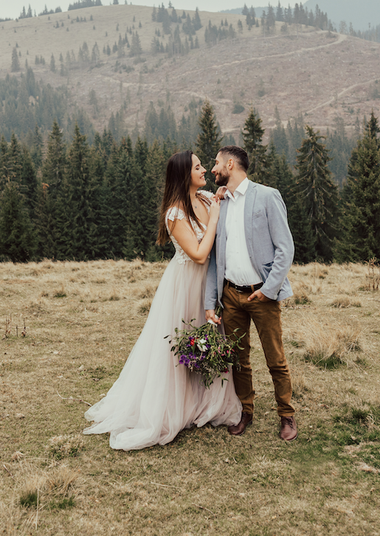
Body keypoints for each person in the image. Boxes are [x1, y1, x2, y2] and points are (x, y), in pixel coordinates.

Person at [84, 150, 242, 450]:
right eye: (198, 167)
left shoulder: (207, 199)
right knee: (181, 343)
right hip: (184, 285)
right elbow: (198, 254)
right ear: (185, 174)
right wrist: (216, 218)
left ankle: (205, 401)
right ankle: (173, 406)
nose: (204, 169)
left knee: (208, 339)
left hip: (209, 284)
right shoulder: (175, 213)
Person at [204, 145, 297, 441]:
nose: (213, 169)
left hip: (263, 296)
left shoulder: (267, 196)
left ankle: (286, 415)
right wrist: (212, 300)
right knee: (238, 359)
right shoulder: (220, 203)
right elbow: (214, 259)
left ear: (231, 164)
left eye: (216, 163)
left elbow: (286, 248)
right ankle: (245, 411)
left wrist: (270, 290)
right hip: (230, 296)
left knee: (276, 359)